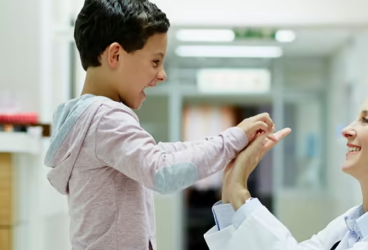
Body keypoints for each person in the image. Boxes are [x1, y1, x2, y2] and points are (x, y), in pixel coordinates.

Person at [44, 0, 275, 249]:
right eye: (155, 62)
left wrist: (231, 139)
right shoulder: (106, 117)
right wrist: (232, 140)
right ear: (115, 55)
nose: (162, 74)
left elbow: (161, 154)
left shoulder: (87, 119)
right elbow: (161, 171)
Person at [206, 84, 368, 250]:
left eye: (366, 120)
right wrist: (231, 191)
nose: (347, 130)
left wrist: (241, 192)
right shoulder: (350, 224)